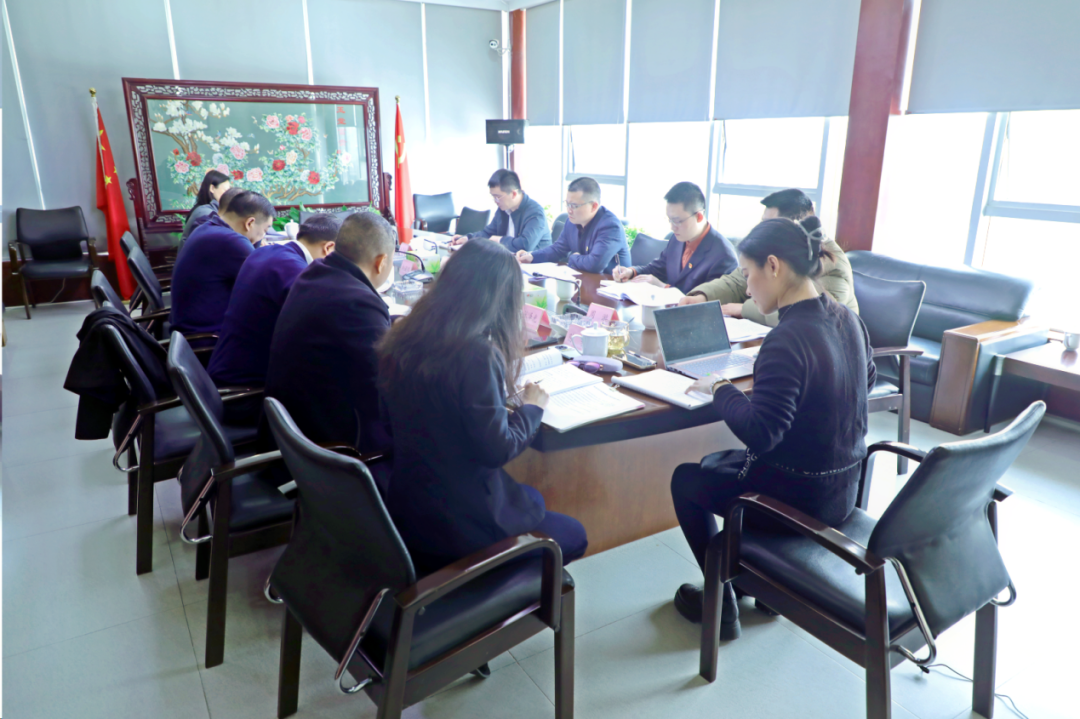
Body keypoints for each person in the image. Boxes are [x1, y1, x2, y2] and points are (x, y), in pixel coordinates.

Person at [669, 215, 876, 636]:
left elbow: (762, 434)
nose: (747, 288)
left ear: (774, 266)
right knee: (718, 463)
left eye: (748, 274)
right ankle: (754, 582)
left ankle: (720, 604)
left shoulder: (787, 336)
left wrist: (721, 388)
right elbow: (866, 380)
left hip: (795, 501)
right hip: (842, 490)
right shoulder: (846, 318)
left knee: (686, 480)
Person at [378, 240, 588, 570]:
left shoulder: (405, 333)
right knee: (574, 534)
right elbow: (497, 450)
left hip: (409, 506)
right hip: (457, 526)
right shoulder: (475, 353)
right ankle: (498, 587)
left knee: (531, 498)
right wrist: (531, 408)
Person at [263, 211, 396, 455]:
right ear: (381, 262)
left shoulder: (314, 272)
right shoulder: (358, 302)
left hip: (291, 428)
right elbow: (385, 388)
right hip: (327, 447)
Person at [207, 214, 339, 421]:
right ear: (329, 248)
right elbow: (323, 332)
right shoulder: (296, 272)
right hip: (243, 396)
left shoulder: (268, 252)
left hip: (223, 380)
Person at [678, 189, 859, 325]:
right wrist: (702, 296)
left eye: (770, 224)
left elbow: (809, 315)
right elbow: (737, 280)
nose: (763, 230)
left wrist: (744, 309)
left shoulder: (833, 264)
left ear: (793, 226)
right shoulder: (772, 253)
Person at [170, 191, 275, 335]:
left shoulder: (207, 226)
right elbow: (269, 286)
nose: (263, 236)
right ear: (249, 223)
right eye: (265, 230)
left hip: (187, 328)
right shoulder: (232, 241)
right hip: (206, 337)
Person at [611, 182, 737, 293]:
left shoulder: (723, 256)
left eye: (677, 221)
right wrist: (631, 272)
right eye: (670, 220)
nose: (672, 227)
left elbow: (707, 302)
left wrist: (663, 287)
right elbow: (658, 268)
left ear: (699, 216)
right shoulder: (678, 238)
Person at [517, 177, 630, 274]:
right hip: (583, 282)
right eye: (567, 204)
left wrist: (573, 257)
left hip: (610, 286)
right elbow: (557, 249)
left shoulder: (610, 226)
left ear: (594, 206)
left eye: (574, 206)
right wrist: (532, 256)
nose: (569, 210)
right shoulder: (572, 221)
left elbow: (595, 264)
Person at [450, 169, 552, 253]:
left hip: (536, 267)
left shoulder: (535, 213)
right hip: (510, 261)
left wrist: (500, 240)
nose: (496, 201)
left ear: (514, 194)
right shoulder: (503, 209)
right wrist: (468, 238)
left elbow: (525, 245)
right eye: (493, 197)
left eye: (498, 197)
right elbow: (488, 233)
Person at [181, 170, 231, 242]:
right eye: (226, 191)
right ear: (212, 188)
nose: (228, 195)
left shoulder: (208, 209)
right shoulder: (205, 214)